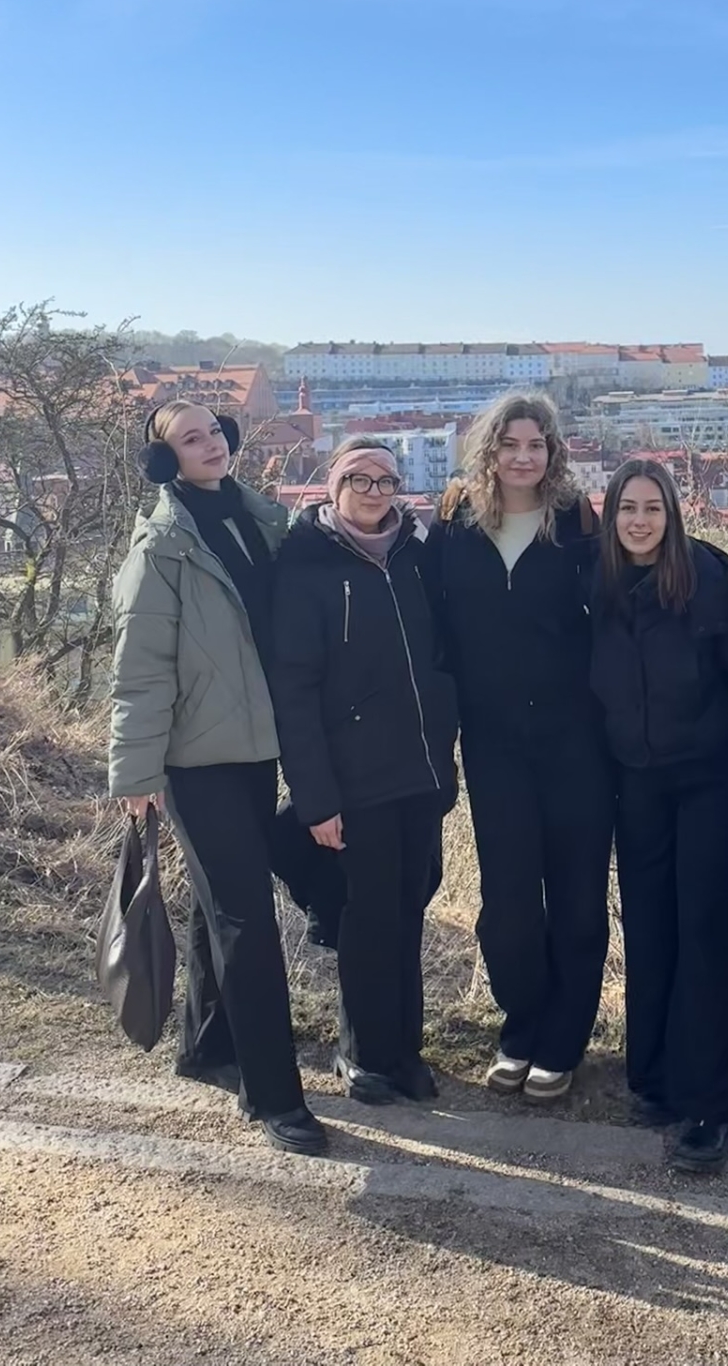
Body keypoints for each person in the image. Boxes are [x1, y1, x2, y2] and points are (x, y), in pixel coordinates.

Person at [106, 400, 326, 1156]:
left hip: (255, 751)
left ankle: (207, 1047)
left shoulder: (260, 521)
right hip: (194, 762)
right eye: (190, 439)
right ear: (164, 460)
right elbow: (138, 672)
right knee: (245, 918)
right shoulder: (161, 549)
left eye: (215, 432)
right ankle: (274, 1094)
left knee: (220, 905)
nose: (211, 445)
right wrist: (135, 772)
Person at [422, 393, 611, 1101]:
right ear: (490, 450)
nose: (524, 457)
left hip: (576, 740)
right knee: (506, 902)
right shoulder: (455, 522)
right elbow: (428, 622)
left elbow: (618, 603)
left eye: (537, 444)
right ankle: (522, 1023)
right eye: (511, 444)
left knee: (578, 898)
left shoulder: (577, 520)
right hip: (492, 740)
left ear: (552, 451)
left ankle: (564, 1037)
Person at [272, 438, 459, 1106]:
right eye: (360, 479)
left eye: (386, 481)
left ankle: (405, 1050)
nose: (375, 493)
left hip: (422, 772)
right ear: (333, 486)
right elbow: (294, 691)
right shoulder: (306, 566)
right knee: (370, 916)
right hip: (355, 780)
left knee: (410, 909)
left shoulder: (415, 556)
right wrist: (315, 797)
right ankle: (362, 1052)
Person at [589, 459, 728, 1175]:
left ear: (672, 515)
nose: (640, 521)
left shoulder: (706, 582)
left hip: (709, 777)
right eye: (627, 508)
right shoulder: (597, 587)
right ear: (610, 516)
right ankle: (654, 1076)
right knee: (651, 928)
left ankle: (713, 1104)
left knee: (710, 932)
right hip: (637, 781)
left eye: (652, 508)